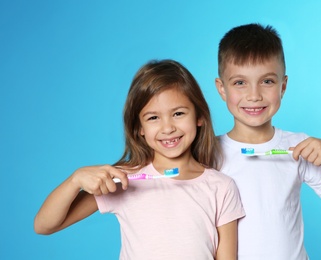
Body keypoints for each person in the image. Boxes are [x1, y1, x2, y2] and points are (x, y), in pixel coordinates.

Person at [34, 59, 245, 260]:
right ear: (139, 129)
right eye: (153, 118)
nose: (168, 128)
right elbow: (44, 225)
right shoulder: (123, 180)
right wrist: (75, 180)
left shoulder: (221, 187)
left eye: (178, 113)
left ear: (199, 117)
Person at [214, 23, 321, 260]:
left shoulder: (298, 148)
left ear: (283, 86)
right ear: (222, 89)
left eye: (267, 81)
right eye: (240, 82)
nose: (254, 95)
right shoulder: (206, 152)